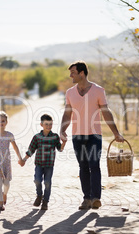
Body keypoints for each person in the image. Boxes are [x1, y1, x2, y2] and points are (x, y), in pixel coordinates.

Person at [60, 61, 124, 210]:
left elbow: (106, 112)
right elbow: (67, 113)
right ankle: (86, 198)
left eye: (73, 73)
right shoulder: (70, 92)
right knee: (83, 167)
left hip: (94, 135)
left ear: (82, 73)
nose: (71, 76)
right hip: (77, 136)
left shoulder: (98, 90)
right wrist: (62, 130)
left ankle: (96, 198)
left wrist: (115, 133)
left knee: (94, 165)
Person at [19, 114, 67, 210]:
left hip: (49, 165)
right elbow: (31, 150)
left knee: (47, 182)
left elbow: (60, 149)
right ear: (41, 124)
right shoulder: (37, 137)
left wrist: (64, 142)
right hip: (39, 164)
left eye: (50, 124)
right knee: (37, 180)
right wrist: (24, 159)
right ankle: (39, 195)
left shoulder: (55, 137)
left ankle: (45, 201)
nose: (48, 126)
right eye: (46, 124)